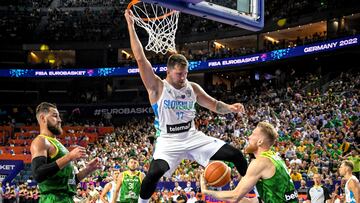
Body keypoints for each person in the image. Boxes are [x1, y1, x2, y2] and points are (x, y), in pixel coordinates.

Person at [124, 9, 248, 203]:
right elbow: (140, 58)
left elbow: (214, 105)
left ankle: (256, 195)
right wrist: (131, 26)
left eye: (186, 73)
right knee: (154, 173)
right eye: (179, 74)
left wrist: (230, 107)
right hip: (168, 140)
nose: (183, 77)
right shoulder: (157, 86)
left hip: (192, 136)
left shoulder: (193, 88)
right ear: (168, 71)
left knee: (236, 155)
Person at [200, 122, 298, 203]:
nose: (248, 137)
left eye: (253, 134)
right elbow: (258, 200)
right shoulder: (275, 158)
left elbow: (234, 197)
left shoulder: (260, 162)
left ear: (260, 142)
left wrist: (206, 191)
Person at [30, 102, 101, 203]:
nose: (59, 120)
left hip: (66, 198)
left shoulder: (58, 144)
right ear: (43, 118)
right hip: (53, 199)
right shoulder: (41, 141)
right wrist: (69, 157)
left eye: (59, 116)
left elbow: (70, 182)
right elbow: (38, 174)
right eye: (55, 116)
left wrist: (88, 170)